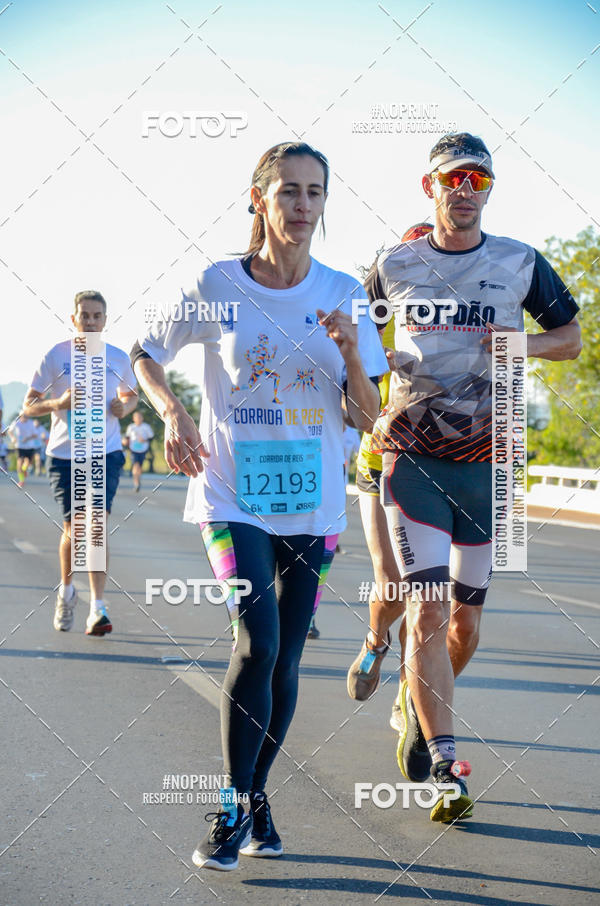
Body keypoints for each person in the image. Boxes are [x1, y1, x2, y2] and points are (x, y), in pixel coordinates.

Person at [132, 141, 387, 871]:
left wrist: (349, 352)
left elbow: (368, 416)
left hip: (314, 503)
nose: (302, 206)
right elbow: (144, 352)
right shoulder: (216, 282)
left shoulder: (344, 291)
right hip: (231, 494)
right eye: (288, 191)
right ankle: (231, 808)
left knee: (288, 659)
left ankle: (257, 799)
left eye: (315, 192)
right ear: (259, 199)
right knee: (259, 643)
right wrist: (173, 413)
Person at [365, 133, 581, 823]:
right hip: (413, 458)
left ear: (489, 189)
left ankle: (415, 695)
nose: (464, 189)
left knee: (466, 624)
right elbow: (356, 342)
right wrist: (365, 390)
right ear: (428, 186)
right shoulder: (393, 264)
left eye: (477, 179)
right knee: (427, 609)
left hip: (490, 465)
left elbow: (571, 340)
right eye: (452, 178)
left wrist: (521, 343)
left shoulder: (521, 262)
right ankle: (446, 766)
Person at [347, 224, 433, 725]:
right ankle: (376, 641)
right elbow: (351, 386)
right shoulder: (374, 314)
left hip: (440, 463)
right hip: (381, 459)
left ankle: (408, 691)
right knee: (395, 584)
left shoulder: (461, 314)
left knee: (429, 594)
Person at [22, 291, 138, 636]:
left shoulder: (117, 358)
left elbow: (132, 396)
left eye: (96, 316)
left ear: (105, 320)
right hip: (65, 455)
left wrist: (124, 407)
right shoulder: (56, 356)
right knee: (74, 530)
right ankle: (67, 591)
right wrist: (58, 403)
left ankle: (97, 608)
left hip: (105, 452)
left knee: (96, 525)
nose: (90, 322)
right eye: (84, 315)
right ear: (73, 319)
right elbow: (29, 406)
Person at [125, 410, 154, 492]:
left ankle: (138, 479)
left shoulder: (146, 427)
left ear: (142, 418)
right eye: (136, 417)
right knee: (135, 465)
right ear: (133, 419)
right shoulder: (131, 427)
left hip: (143, 449)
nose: (138, 419)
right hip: (133, 449)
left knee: (140, 467)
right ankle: (136, 483)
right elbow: (127, 438)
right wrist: (126, 444)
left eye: (140, 417)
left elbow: (151, 437)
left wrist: (144, 440)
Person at [8, 414, 38, 487]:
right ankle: (21, 480)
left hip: (30, 446)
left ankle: (24, 470)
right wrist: (13, 438)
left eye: (26, 416)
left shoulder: (31, 423)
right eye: (23, 416)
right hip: (20, 446)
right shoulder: (16, 422)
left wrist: (27, 438)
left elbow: (35, 435)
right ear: (20, 416)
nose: (25, 418)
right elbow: (9, 431)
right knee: (19, 463)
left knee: (28, 463)